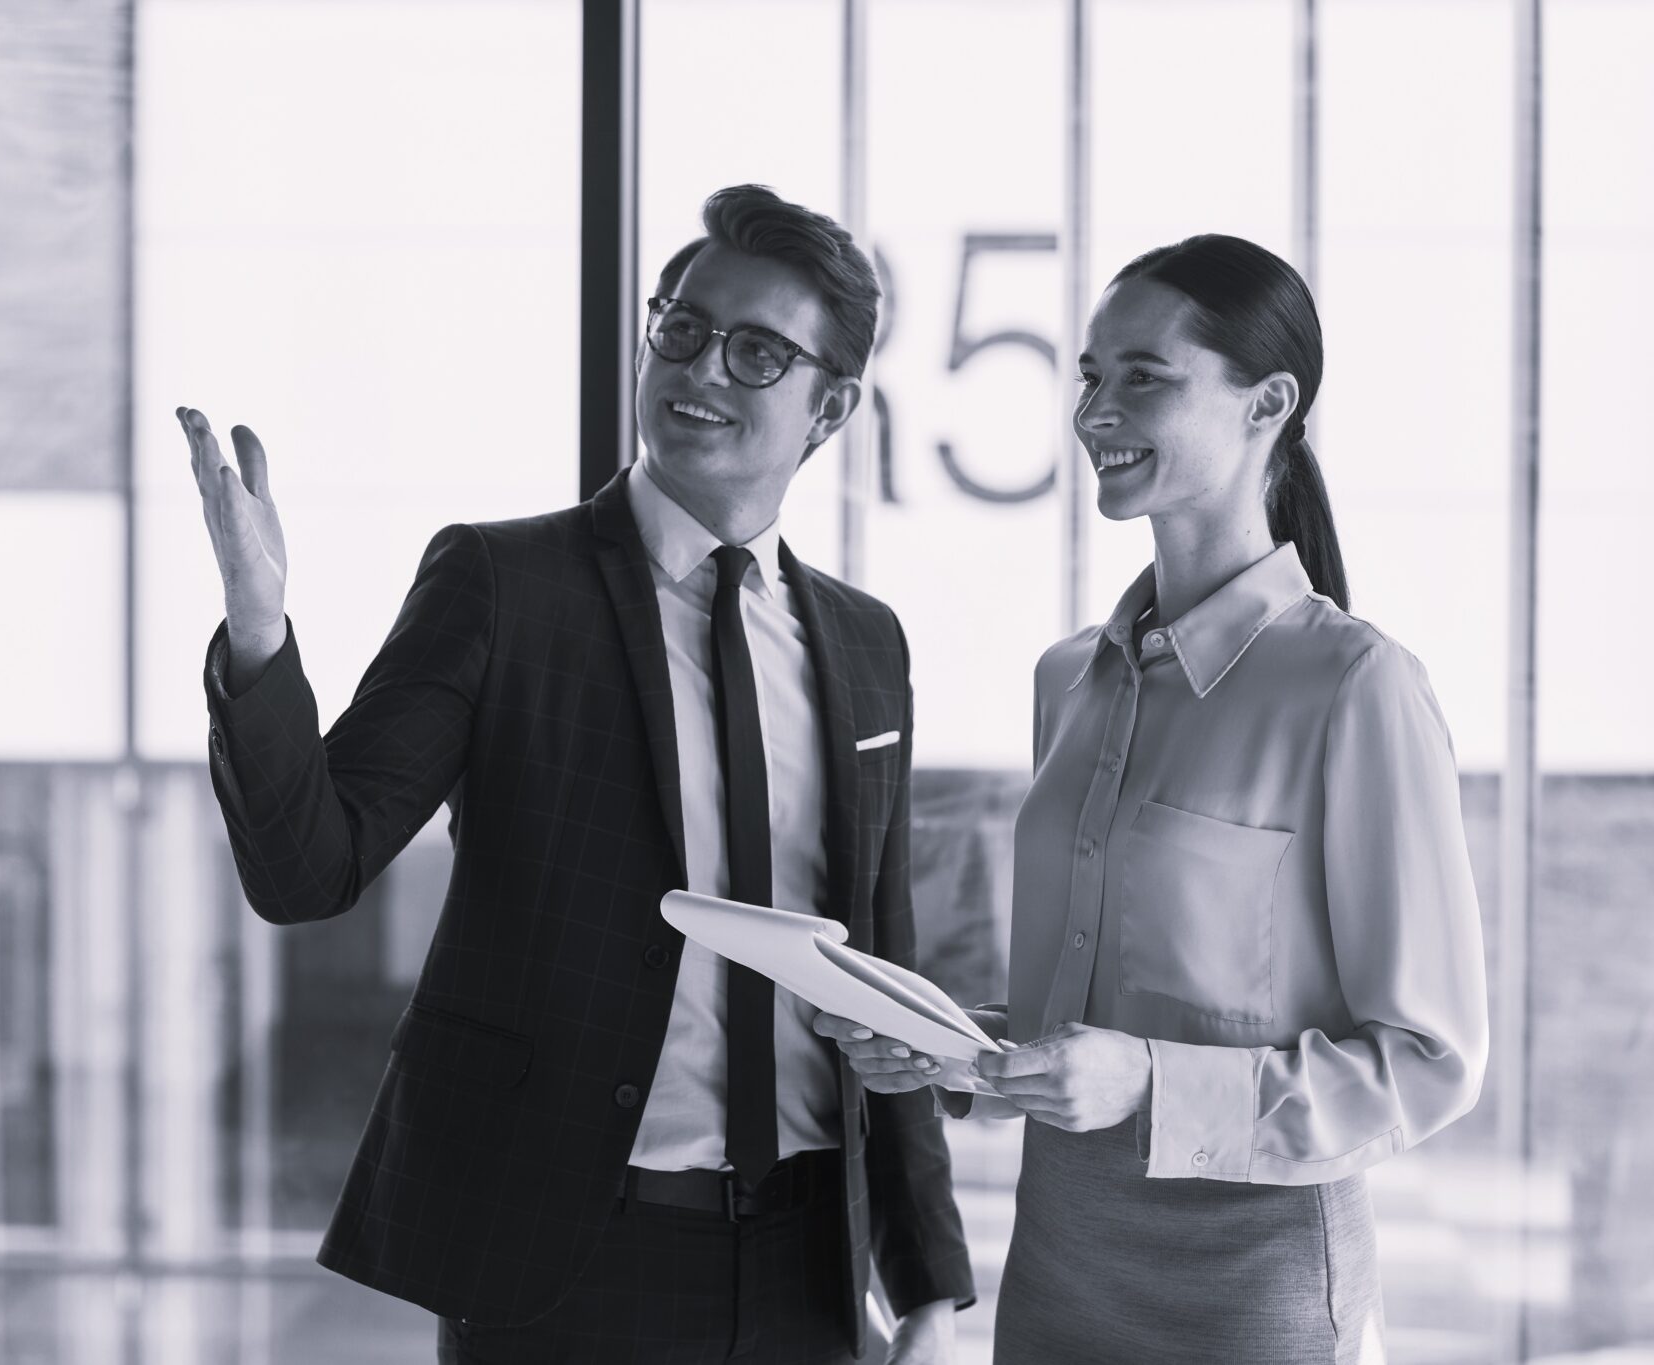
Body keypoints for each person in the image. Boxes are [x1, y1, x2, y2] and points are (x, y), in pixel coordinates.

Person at [179, 184, 974, 1365]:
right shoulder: (504, 586)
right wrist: (257, 633)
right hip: (569, 1262)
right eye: (683, 328)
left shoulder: (865, 644)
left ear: (829, 408)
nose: (701, 369)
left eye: (758, 353)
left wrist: (928, 1285)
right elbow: (310, 867)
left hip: (809, 1264)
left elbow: (880, 970)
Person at [815, 234, 1488, 1363]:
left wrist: (1148, 1084)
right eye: (1088, 375)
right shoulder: (1066, 680)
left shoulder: (1353, 688)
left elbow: (1426, 1064)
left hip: (1253, 1293)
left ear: (1267, 402)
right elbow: (1090, 1017)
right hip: (1056, 1271)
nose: (1094, 411)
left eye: (1143, 377)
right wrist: (953, 1048)